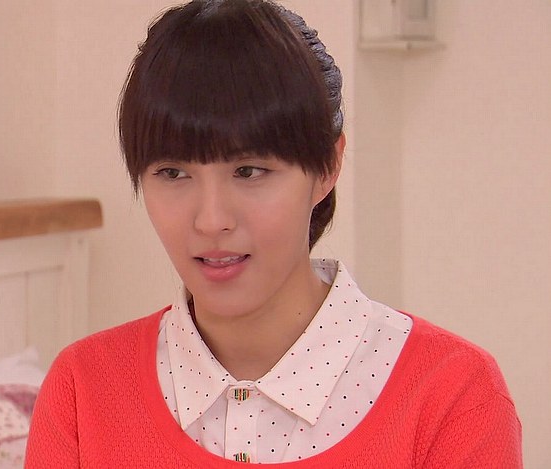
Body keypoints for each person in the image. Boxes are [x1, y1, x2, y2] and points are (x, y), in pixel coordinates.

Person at [25, 0, 522, 467]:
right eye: (173, 173)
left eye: (249, 171)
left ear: (327, 167)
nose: (211, 220)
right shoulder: (82, 390)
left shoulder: (453, 395)